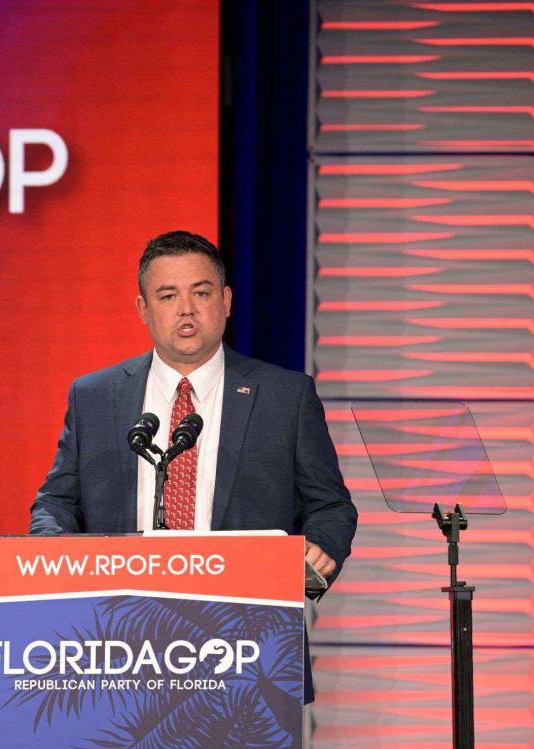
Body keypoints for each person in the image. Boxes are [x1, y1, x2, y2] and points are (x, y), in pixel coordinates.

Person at [29, 230, 356, 702]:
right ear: (143, 309)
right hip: (118, 645)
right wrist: (55, 561)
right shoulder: (96, 397)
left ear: (225, 301)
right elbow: (58, 501)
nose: (186, 309)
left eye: (201, 293)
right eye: (168, 295)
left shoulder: (285, 397)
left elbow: (330, 506)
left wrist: (320, 548)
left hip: (248, 644)